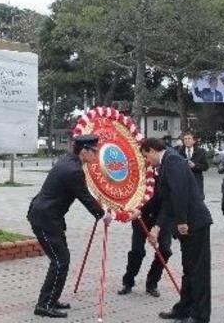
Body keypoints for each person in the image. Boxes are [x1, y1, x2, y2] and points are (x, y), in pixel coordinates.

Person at [26, 134, 111, 318]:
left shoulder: (68, 161)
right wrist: (102, 214)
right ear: (84, 151)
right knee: (60, 261)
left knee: (61, 260)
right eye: (94, 152)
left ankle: (51, 299)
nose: (96, 156)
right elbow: (85, 197)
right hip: (45, 220)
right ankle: (44, 305)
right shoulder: (73, 170)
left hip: (48, 218)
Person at [141, 138, 213, 323]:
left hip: (194, 223)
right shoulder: (168, 162)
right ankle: (184, 308)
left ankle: (200, 315)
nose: (148, 161)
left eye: (146, 156)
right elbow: (167, 201)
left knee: (199, 271)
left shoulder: (172, 160)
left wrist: (182, 221)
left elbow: (180, 192)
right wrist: (156, 228)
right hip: (187, 224)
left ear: (152, 150)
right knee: (189, 269)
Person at [118, 165, 173, 298]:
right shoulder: (138, 171)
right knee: (137, 251)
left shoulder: (167, 171)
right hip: (140, 215)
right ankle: (128, 281)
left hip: (161, 217)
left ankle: (152, 283)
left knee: (165, 250)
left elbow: (168, 203)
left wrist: (158, 226)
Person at [176, 131, 208, 199]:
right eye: (185, 139)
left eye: (189, 139)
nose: (187, 141)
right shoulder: (179, 152)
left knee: (197, 204)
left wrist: (195, 166)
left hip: (196, 181)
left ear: (194, 141)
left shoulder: (201, 152)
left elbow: (205, 166)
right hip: (183, 182)